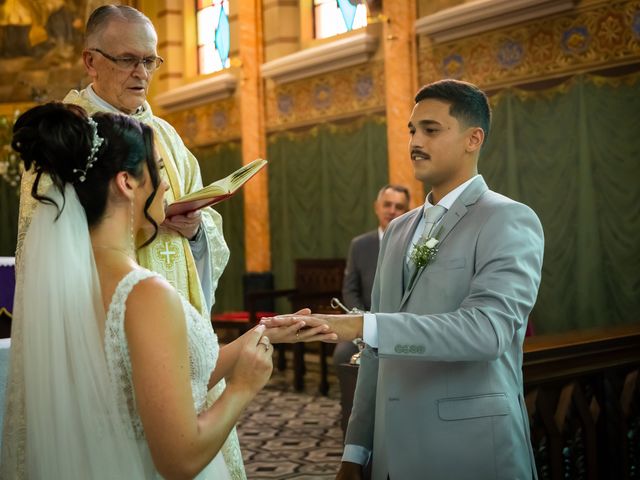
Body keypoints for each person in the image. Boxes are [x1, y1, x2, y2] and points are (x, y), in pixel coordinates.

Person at [0, 103, 334, 479]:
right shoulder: (143, 293)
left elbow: (158, 384)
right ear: (127, 183)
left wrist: (257, 337)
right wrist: (243, 387)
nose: (165, 185)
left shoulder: (70, 282)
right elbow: (180, 460)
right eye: (157, 170)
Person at [0, 5, 244, 477]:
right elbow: (47, 246)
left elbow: (207, 223)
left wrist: (197, 231)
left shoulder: (168, 136)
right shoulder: (69, 137)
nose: (142, 73)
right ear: (91, 61)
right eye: (128, 59)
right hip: (105, 329)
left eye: (150, 61)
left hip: (173, 320)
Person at [264, 79, 544, 479]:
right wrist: (355, 450)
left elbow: (489, 331)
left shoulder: (507, 218)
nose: (415, 141)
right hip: (394, 455)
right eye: (412, 130)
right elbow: (377, 351)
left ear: (473, 139)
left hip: (471, 449)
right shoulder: (397, 231)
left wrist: (360, 324)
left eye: (431, 130)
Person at [335, 184, 410, 367]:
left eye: (398, 207)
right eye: (387, 205)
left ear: (408, 212)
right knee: (341, 355)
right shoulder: (359, 245)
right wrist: (364, 323)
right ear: (377, 207)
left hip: (401, 326)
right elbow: (350, 290)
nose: (392, 211)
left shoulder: (414, 245)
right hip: (364, 323)